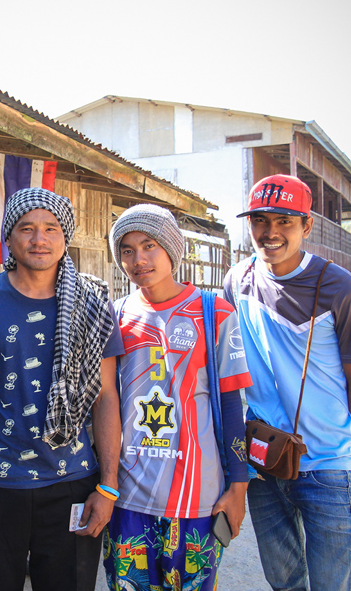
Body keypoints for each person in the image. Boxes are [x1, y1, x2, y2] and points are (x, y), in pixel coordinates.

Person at [0, 188, 123, 591]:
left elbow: (106, 396)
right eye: (26, 228)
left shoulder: (92, 305)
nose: (39, 239)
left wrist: (108, 486)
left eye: (51, 228)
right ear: (8, 238)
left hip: (73, 482)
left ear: (66, 237)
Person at [224, 174, 351, 591]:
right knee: (283, 581)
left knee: (332, 584)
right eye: (260, 220)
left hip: (327, 462)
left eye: (284, 221)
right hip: (264, 457)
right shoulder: (238, 280)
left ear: (306, 225)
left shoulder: (341, 288)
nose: (270, 232)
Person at [102, 205, 253, 590]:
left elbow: (231, 406)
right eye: (127, 250)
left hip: (197, 499)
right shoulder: (115, 317)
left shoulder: (214, 313)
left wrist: (239, 487)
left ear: (171, 248)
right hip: (128, 498)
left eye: (149, 245)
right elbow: (105, 403)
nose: (138, 259)